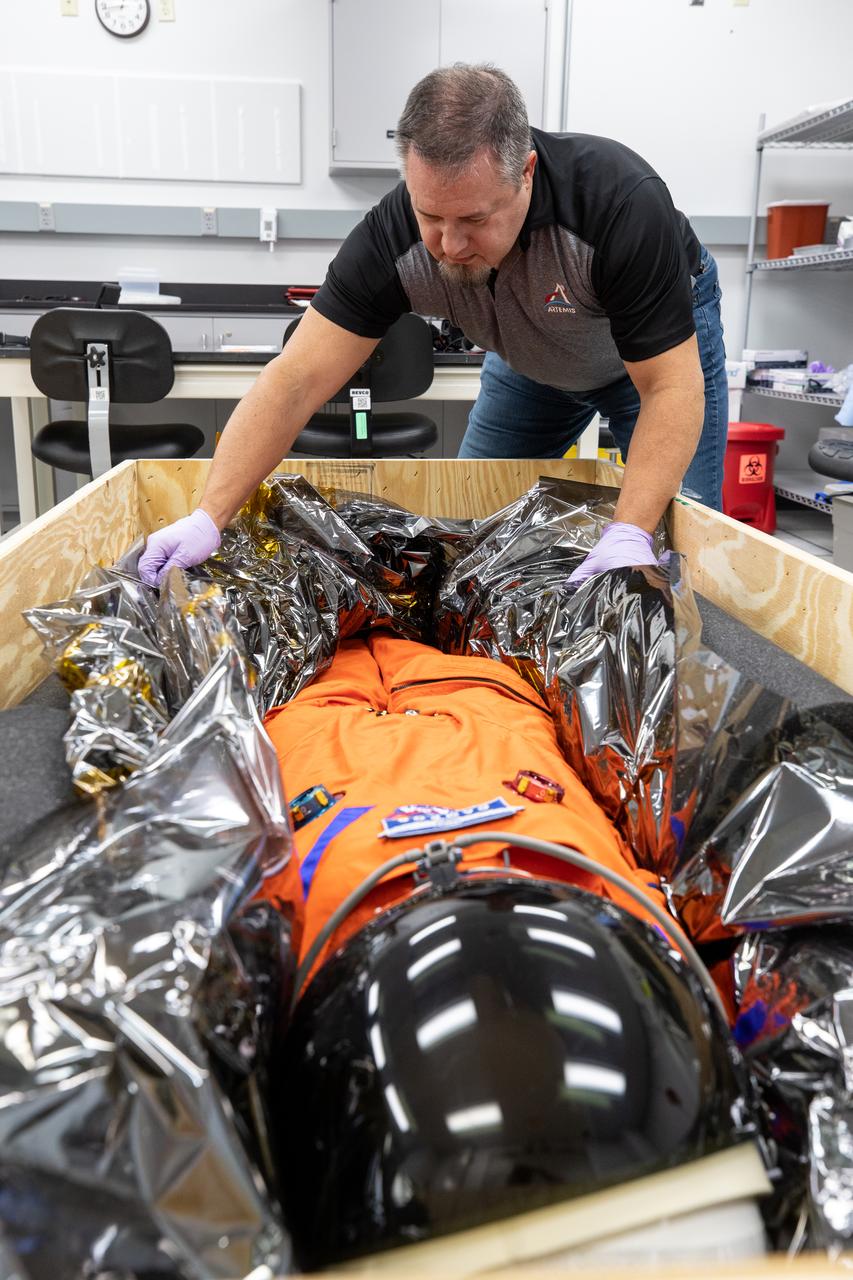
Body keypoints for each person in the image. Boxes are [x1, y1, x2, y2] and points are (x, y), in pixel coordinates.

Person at [138, 64, 728, 589]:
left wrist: (629, 531)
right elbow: (295, 379)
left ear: (526, 172)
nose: (449, 246)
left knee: (680, 538)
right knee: (475, 536)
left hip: (649, 367)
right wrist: (207, 516)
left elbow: (670, 387)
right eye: (430, 216)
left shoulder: (619, 204)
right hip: (530, 364)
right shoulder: (391, 238)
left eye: (474, 218)